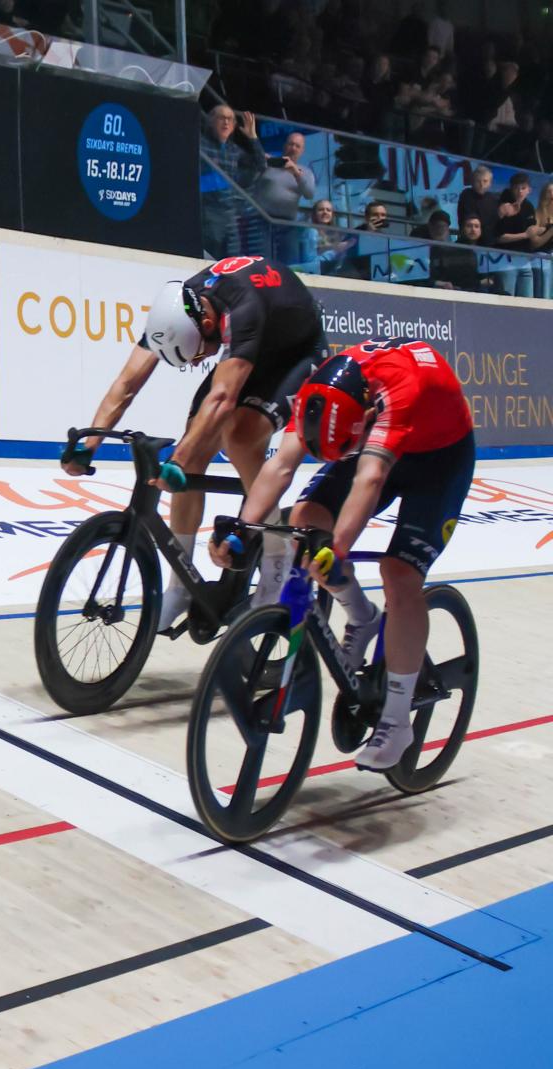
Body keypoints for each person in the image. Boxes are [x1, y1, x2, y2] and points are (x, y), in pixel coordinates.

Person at [210, 337, 475, 771]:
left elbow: (369, 479)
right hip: (369, 439)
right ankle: (361, 615)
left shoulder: (397, 390)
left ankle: (395, 719)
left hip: (438, 460)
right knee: (305, 519)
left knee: (399, 574)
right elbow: (279, 466)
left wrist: (337, 549)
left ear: (368, 415)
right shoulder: (323, 391)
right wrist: (243, 528)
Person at [62, 257, 328, 631]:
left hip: (296, 354)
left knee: (240, 436)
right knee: (191, 450)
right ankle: (180, 586)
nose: (195, 363)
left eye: (198, 354)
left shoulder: (242, 308)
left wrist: (177, 458)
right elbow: (126, 385)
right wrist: (87, 444)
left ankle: (276, 553)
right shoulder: (172, 314)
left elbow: (221, 398)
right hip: (248, 350)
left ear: (207, 325)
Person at [199, 106, 267, 259]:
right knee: (212, 255)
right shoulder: (201, 145)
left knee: (232, 257)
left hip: (230, 212)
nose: (226, 122)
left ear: (234, 126)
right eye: (221, 118)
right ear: (211, 122)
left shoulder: (233, 150)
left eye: (230, 119)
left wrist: (252, 137)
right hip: (209, 210)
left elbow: (261, 165)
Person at [252, 132, 317, 264]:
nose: (293, 148)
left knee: (289, 264)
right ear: (284, 146)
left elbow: (309, 193)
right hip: (262, 221)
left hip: (288, 226)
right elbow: (248, 182)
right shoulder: (269, 165)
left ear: (302, 151)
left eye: (297, 146)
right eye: (290, 144)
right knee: (261, 262)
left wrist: (296, 172)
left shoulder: (305, 172)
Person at [494, 171, 536, 297]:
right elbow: (499, 238)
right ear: (511, 189)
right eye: (517, 188)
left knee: (528, 304)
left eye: (523, 188)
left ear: (529, 190)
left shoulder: (529, 206)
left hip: (525, 261)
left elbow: (532, 233)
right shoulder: (504, 206)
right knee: (508, 302)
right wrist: (525, 235)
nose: (520, 192)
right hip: (507, 261)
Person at [457, 165, 501, 246]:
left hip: (489, 243)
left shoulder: (494, 199)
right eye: (478, 181)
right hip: (468, 242)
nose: (481, 185)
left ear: (490, 183)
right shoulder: (466, 195)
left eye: (485, 181)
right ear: (472, 182)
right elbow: (471, 221)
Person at [528, 181, 553, 299]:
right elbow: (534, 244)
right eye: (549, 191)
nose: (552, 195)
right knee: (543, 298)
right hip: (541, 261)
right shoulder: (536, 215)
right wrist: (550, 231)